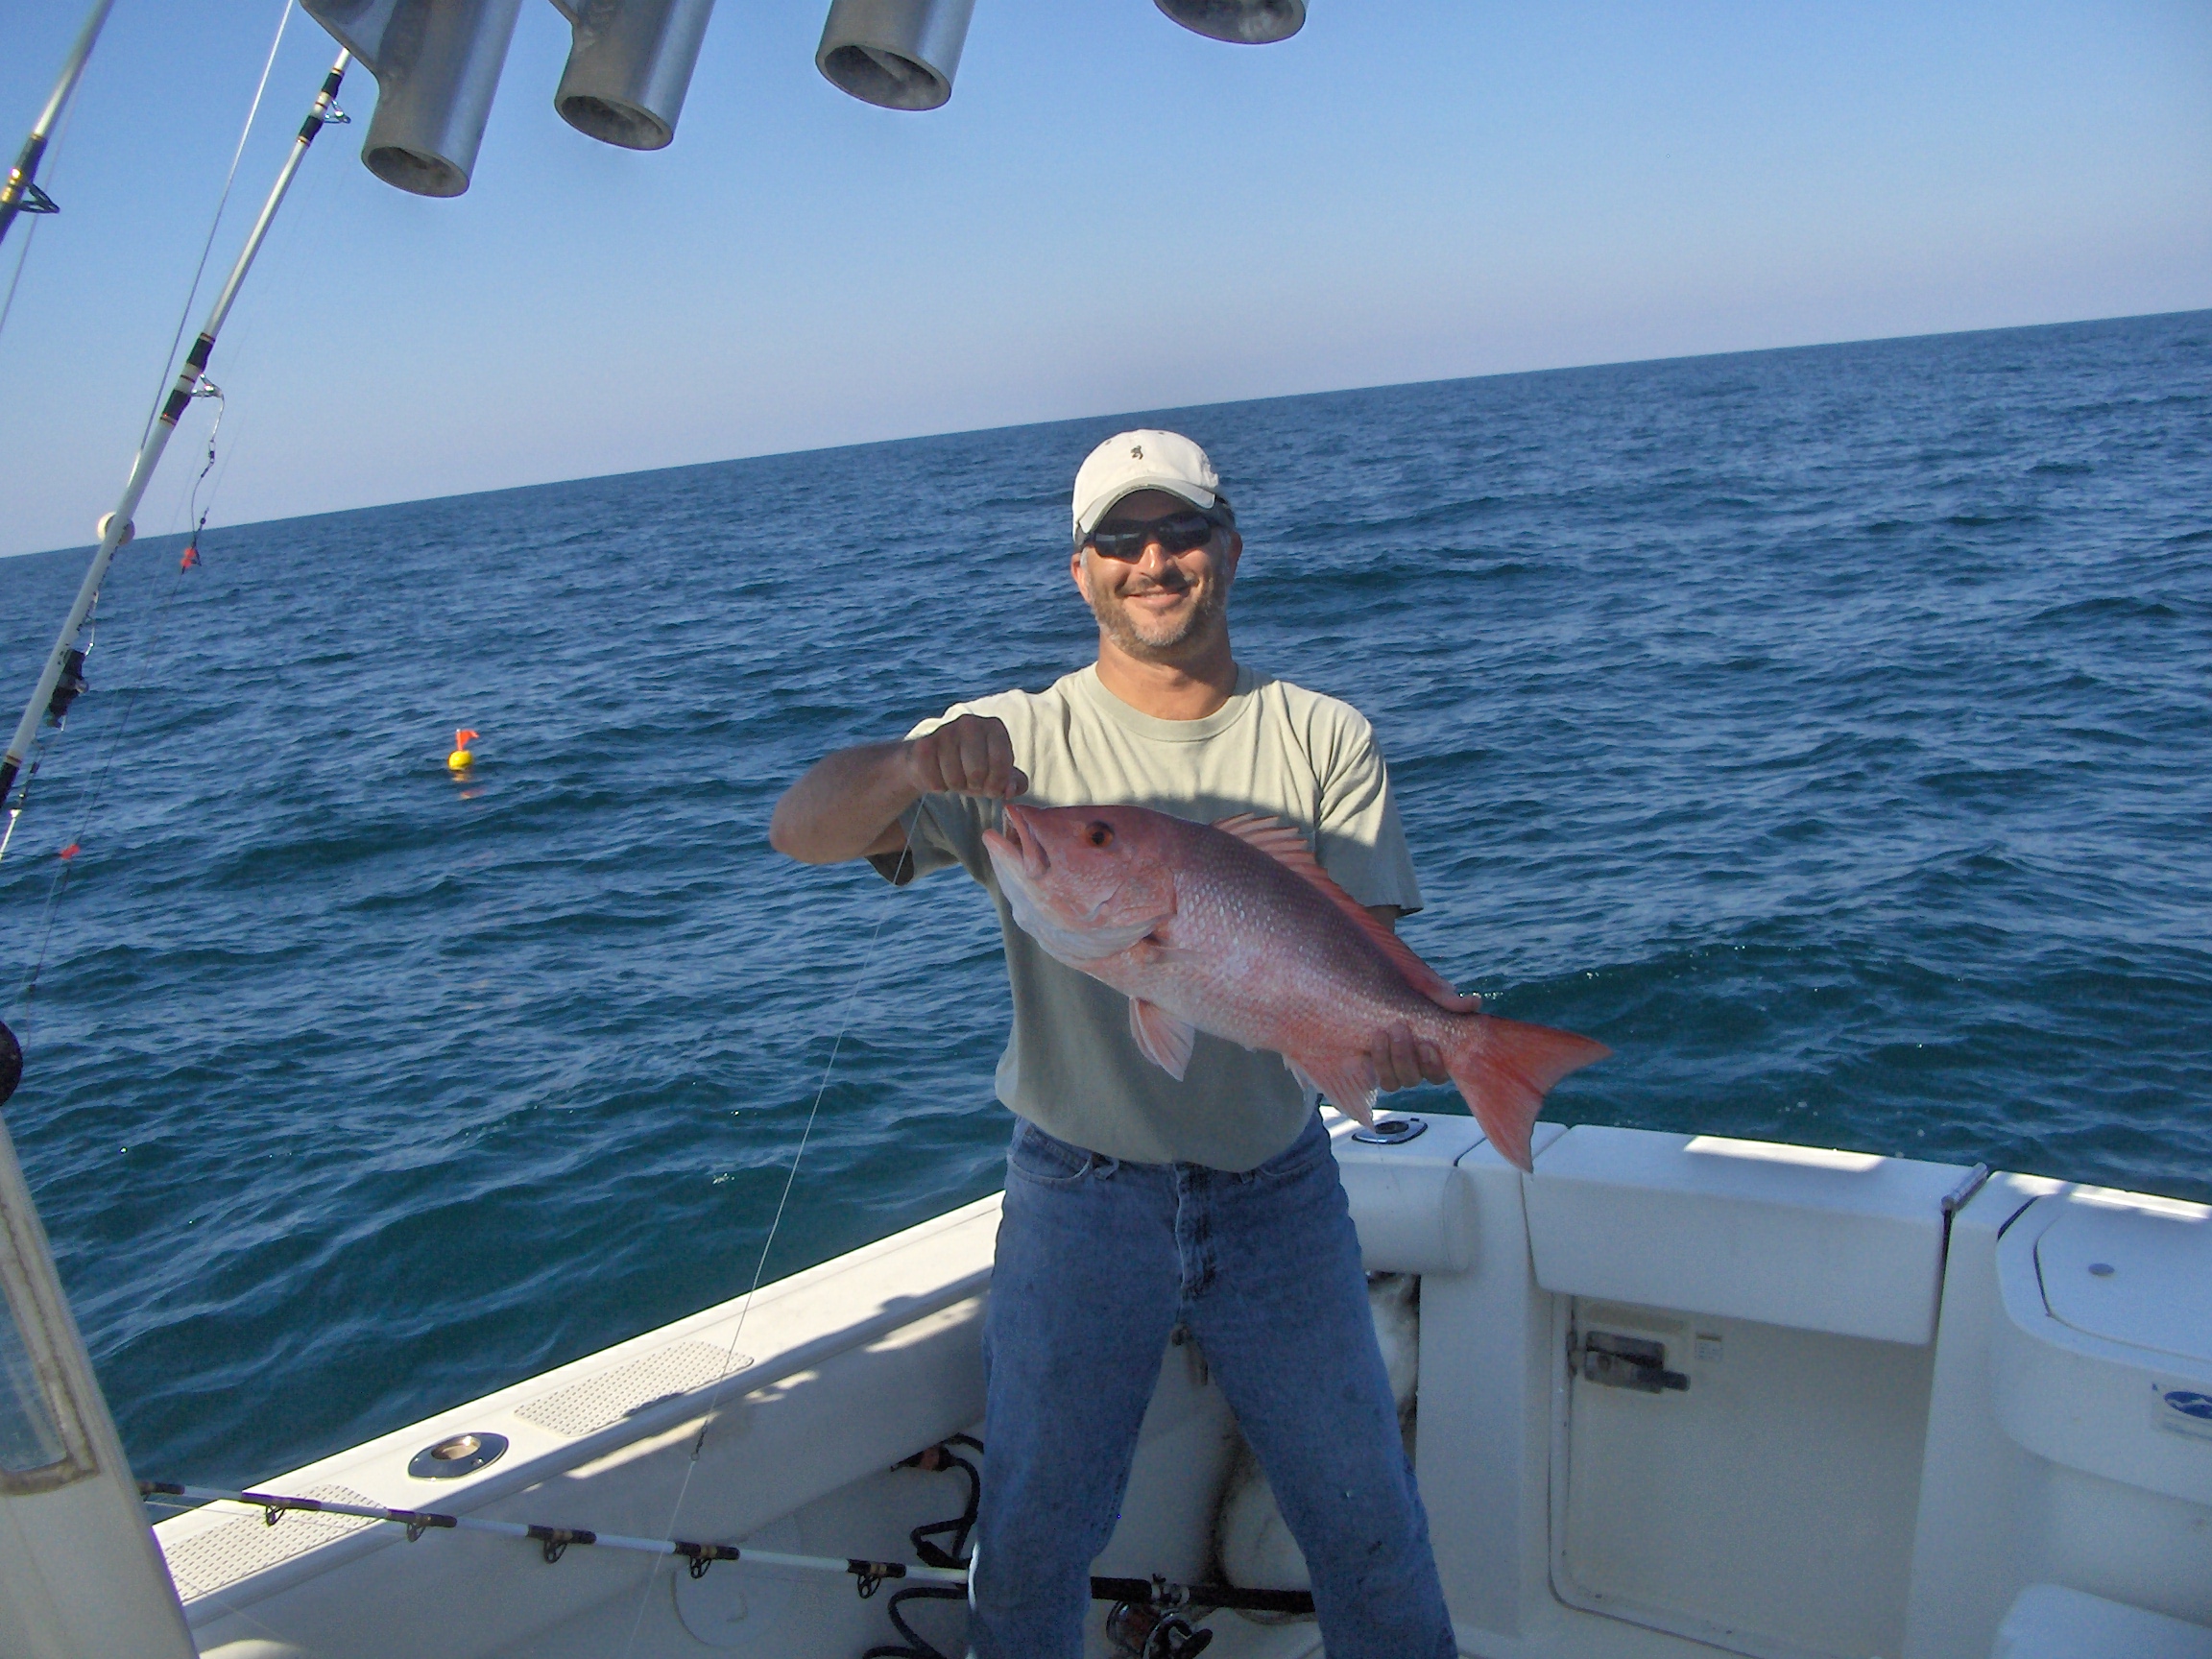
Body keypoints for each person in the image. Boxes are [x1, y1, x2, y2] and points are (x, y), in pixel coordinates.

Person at [769, 430, 1458, 1659]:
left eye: (1181, 532)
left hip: (1279, 1194)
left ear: (1229, 549)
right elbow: (801, 830)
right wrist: (913, 762)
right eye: (1120, 541)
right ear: (1079, 571)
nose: (1155, 560)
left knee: (1369, 1531)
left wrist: (1398, 1040)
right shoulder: (1007, 747)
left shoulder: (1321, 738)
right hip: (1075, 1200)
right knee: (1030, 1545)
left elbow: (1359, 960)